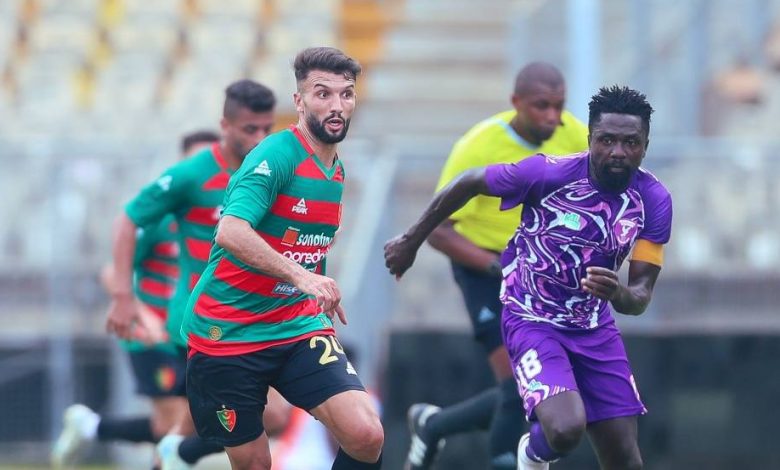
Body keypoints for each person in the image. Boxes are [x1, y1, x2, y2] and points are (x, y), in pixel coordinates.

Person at [385, 85, 672, 470]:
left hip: (594, 327)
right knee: (566, 428)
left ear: (645, 146)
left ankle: (447, 428)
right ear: (590, 139)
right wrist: (410, 241)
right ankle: (530, 454)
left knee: (625, 460)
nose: (618, 152)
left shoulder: (654, 200)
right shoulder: (547, 173)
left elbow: (640, 295)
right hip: (531, 316)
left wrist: (618, 293)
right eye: (607, 140)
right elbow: (469, 181)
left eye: (630, 143)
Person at [180, 46, 383, 470]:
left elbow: (308, 245)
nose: (337, 105)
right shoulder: (276, 154)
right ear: (299, 101)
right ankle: (175, 454)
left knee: (366, 435)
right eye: (323, 93)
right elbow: (231, 230)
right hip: (226, 332)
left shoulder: (336, 169)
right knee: (255, 464)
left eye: (346, 94)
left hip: (295, 325)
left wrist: (317, 295)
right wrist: (304, 278)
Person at [405, 62, 589, 470]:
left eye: (559, 105)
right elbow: (439, 232)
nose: (552, 116)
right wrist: (498, 267)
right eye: (541, 106)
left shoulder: (575, 135)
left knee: (540, 389)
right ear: (516, 102)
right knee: (521, 383)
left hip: (543, 278)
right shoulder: (478, 145)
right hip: (485, 270)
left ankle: (434, 426)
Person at [106, 80, 276, 470]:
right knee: (258, 420)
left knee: (193, 425)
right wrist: (123, 298)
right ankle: (173, 452)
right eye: (250, 129)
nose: (260, 138)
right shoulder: (191, 175)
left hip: (255, 316)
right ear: (225, 126)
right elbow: (128, 219)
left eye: (267, 128)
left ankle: (173, 454)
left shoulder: (271, 169)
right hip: (203, 319)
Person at [50, 130, 220, 469]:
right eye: (196, 161)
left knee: (178, 425)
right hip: (152, 336)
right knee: (176, 425)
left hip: (194, 332)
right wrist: (144, 315)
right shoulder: (161, 218)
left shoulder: (220, 217)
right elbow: (111, 272)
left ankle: (91, 427)